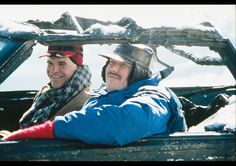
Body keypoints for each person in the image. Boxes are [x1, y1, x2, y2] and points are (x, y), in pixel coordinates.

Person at [1, 44, 187, 146]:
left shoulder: (155, 97)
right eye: (111, 63)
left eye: (123, 65)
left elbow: (120, 125)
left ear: (138, 72)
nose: (113, 69)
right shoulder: (106, 94)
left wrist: (48, 129)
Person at [21, 44, 92, 129]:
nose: (53, 71)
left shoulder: (85, 107)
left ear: (78, 67)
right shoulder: (47, 92)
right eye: (50, 63)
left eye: (62, 63)